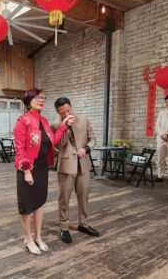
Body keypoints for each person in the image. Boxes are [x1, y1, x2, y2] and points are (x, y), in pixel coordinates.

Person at [13, 88, 75, 255]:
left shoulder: (45, 121)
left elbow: (52, 142)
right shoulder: (23, 120)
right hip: (28, 167)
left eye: (42, 97)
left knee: (39, 203)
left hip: (42, 168)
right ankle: (28, 238)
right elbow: (20, 149)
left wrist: (63, 126)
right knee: (27, 206)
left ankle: (38, 236)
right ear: (28, 101)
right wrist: (26, 171)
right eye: (37, 97)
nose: (41, 100)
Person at [52, 97, 99, 244]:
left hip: (83, 164)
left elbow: (92, 139)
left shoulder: (84, 119)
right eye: (62, 112)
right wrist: (65, 126)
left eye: (68, 110)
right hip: (66, 166)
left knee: (84, 196)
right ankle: (64, 227)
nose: (66, 113)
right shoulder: (55, 124)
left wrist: (86, 149)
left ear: (71, 107)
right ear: (58, 112)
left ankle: (83, 224)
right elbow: (59, 146)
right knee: (64, 198)